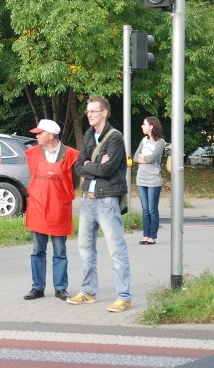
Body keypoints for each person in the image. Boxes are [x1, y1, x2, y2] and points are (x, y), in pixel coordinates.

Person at [68, 96, 132, 313]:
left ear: (104, 112)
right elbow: (78, 167)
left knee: (116, 249)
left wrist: (90, 165)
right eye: (88, 112)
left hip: (107, 200)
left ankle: (124, 296)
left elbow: (107, 170)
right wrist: (93, 164)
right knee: (85, 247)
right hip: (88, 200)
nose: (89, 114)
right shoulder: (88, 134)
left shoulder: (115, 138)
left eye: (93, 111)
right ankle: (87, 291)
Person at [23, 119, 79, 301]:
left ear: (51, 135)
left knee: (60, 251)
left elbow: (75, 182)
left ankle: (60, 288)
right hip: (38, 208)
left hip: (59, 209)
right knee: (37, 250)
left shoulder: (71, 155)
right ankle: (37, 287)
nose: (36, 135)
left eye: (40, 133)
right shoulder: (32, 153)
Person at [134, 117, 167, 246]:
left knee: (152, 210)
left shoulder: (161, 142)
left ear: (151, 126)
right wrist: (143, 158)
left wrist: (144, 158)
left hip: (153, 179)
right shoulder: (144, 140)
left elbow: (152, 159)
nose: (142, 126)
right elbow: (136, 156)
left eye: (144, 124)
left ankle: (152, 236)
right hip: (141, 178)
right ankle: (145, 235)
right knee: (145, 209)